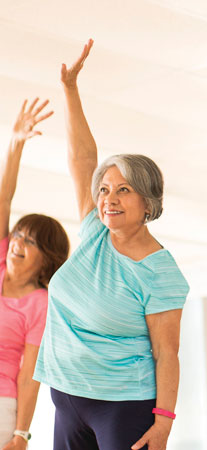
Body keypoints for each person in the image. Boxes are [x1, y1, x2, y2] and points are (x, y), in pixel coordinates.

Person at [32, 39, 190, 450]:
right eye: (104, 190)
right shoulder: (94, 232)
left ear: (148, 202)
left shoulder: (160, 271)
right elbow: (83, 158)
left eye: (123, 190)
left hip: (122, 405)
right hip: (66, 396)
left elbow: (167, 354)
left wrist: (164, 423)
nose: (109, 199)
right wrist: (70, 89)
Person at [1, 99, 70, 450]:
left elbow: (29, 375)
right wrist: (15, 143)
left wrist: (21, 433)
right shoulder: (0, 259)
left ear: (47, 262)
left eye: (31, 242)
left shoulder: (39, 305)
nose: (18, 242)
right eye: (18, 235)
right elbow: (3, 200)